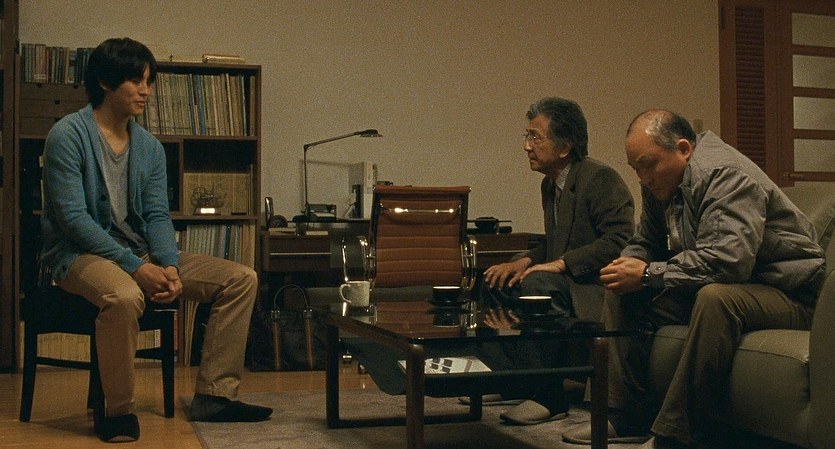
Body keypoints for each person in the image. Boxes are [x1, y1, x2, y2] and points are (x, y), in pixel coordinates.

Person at [40, 37, 272, 443]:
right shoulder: (68, 135)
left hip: (139, 252)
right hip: (78, 255)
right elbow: (74, 221)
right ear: (105, 82)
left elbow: (157, 216)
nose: (146, 90)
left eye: (149, 81)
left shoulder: (148, 147)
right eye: (136, 80)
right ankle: (117, 411)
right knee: (124, 296)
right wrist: (136, 268)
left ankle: (215, 396)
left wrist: (168, 265)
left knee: (241, 278)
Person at [564, 110, 826, 449]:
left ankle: (676, 433)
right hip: (740, 284)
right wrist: (630, 262)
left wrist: (648, 273)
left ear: (684, 149)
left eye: (648, 165)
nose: (643, 177)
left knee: (716, 297)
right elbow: (647, 240)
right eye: (636, 169)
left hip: (792, 294)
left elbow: (728, 262)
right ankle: (622, 413)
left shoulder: (725, 175)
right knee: (622, 289)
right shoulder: (661, 183)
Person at [480, 97, 635, 425]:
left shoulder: (600, 179)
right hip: (567, 281)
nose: (527, 146)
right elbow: (556, 243)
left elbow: (619, 241)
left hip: (596, 286)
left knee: (539, 286)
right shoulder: (550, 185)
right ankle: (509, 379)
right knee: (495, 279)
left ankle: (548, 396)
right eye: (527, 136)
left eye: (535, 137)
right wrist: (523, 261)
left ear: (564, 147)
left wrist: (562, 264)